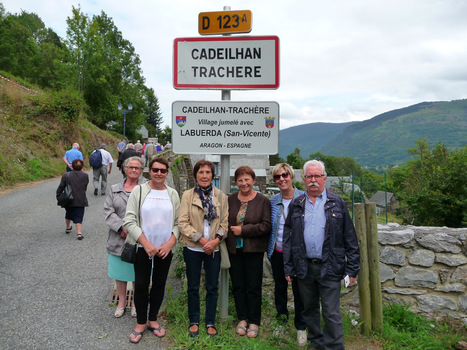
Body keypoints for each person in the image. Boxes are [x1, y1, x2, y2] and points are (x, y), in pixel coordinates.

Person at [283, 160, 360, 350]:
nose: (313, 180)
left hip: (331, 266)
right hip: (304, 268)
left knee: (331, 312)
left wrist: (352, 269)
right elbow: (288, 238)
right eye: (309, 176)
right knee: (309, 311)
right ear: (304, 179)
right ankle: (316, 344)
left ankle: (334, 347)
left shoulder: (337, 203)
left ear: (325, 178)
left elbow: (350, 238)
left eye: (317, 176)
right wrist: (289, 266)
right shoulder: (296, 204)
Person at [123, 156, 180, 344]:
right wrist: (145, 243)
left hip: (164, 249)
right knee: (140, 285)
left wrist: (171, 242)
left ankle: (153, 319)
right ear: (150, 171)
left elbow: (179, 223)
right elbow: (129, 220)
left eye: (163, 171)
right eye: (155, 170)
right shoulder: (138, 191)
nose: (159, 173)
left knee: (159, 284)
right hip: (142, 247)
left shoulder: (173, 194)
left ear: (167, 173)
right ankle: (140, 322)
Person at [179, 160, 229, 338]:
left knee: (212, 287)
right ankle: (194, 321)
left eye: (208, 172)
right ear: (196, 175)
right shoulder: (187, 195)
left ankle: (210, 322)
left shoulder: (221, 197)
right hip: (193, 248)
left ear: (212, 175)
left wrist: (215, 241)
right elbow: (182, 222)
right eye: (201, 172)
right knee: (193, 286)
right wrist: (200, 239)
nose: (205, 176)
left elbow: (225, 224)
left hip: (213, 249)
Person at [226, 166, 271, 338]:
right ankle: (242, 319)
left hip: (254, 250)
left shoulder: (262, 201)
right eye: (240, 180)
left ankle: (254, 321)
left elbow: (266, 226)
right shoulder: (230, 199)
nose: (244, 183)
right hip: (234, 250)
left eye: (247, 179)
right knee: (238, 286)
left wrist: (243, 230)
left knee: (253, 287)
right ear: (235, 182)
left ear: (253, 180)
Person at [267, 163, 308, 346]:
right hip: (278, 252)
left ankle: (301, 327)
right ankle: (281, 320)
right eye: (277, 177)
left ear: (291, 176)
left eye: (284, 175)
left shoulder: (305, 199)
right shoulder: (272, 201)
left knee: (300, 291)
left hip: (299, 254)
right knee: (280, 288)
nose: (281, 179)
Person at [104, 156, 145, 318]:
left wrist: (134, 230)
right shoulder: (114, 189)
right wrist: (121, 227)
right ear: (125, 169)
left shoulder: (145, 189)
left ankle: (135, 302)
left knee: (137, 273)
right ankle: (121, 302)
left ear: (141, 171)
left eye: (137, 168)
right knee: (120, 274)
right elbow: (108, 211)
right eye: (131, 167)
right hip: (117, 238)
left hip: (138, 238)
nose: (134, 170)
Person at [56, 159, 89, 240]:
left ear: (72, 166)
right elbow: (85, 187)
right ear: (82, 167)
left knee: (68, 213)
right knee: (79, 215)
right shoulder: (85, 176)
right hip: (80, 198)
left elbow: (61, 187)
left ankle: (68, 228)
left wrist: (58, 196)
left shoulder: (66, 175)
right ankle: (79, 233)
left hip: (68, 198)